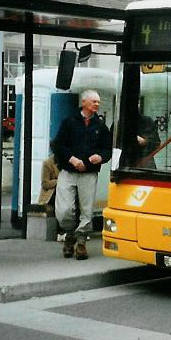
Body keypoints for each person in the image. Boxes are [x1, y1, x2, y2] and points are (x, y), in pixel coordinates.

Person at [51, 90, 112, 260]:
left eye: (98, 102)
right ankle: (69, 233)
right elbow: (57, 145)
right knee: (64, 211)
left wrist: (101, 157)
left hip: (89, 173)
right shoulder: (69, 121)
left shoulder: (100, 126)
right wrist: (72, 159)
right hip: (68, 171)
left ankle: (81, 242)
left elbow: (107, 149)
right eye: (94, 101)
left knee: (87, 209)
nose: (97, 104)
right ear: (84, 102)